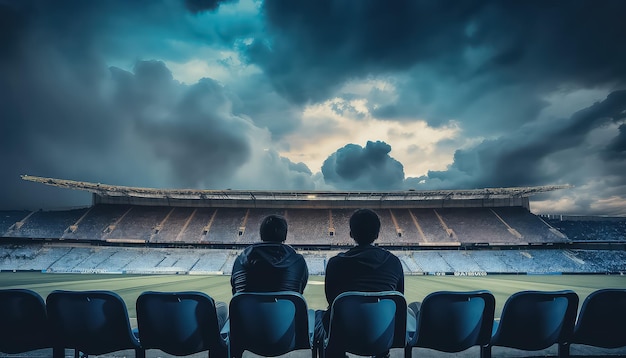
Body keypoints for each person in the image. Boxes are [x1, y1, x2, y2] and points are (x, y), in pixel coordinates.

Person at [314, 208, 409, 357]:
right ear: (377, 234)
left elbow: (331, 300)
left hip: (345, 335)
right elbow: (398, 297)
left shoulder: (335, 263)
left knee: (323, 315)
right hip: (382, 333)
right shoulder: (394, 262)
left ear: (351, 234)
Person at [231, 214, 308, 294]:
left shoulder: (240, 260)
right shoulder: (298, 261)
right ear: (284, 236)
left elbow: (235, 291)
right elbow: (299, 291)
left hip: (246, 306)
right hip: (285, 306)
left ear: (261, 234)